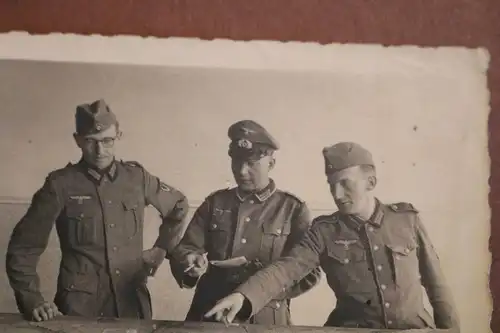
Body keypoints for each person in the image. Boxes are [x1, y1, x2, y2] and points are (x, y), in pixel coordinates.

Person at [206, 141, 460, 330]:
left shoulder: (407, 220)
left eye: (345, 184)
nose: (337, 194)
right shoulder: (324, 231)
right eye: (331, 185)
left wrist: (451, 330)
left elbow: (436, 285)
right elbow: (285, 269)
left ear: (370, 182)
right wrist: (243, 296)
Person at [6, 99, 189, 322]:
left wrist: (161, 249)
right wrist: (32, 300)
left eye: (108, 140)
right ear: (78, 141)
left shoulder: (137, 178)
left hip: (130, 304)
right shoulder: (60, 184)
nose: (100, 150)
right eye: (91, 141)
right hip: (78, 309)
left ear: (118, 136)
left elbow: (179, 205)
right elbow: (23, 247)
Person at [169, 120, 322, 325]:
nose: (241, 172)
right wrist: (190, 262)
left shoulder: (292, 209)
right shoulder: (215, 203)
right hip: (210, 314)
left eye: (251, 164)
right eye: (237, 162)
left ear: (271, 163)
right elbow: (184, 249)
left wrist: (259, 293)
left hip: (265, 318)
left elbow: (309, 272)